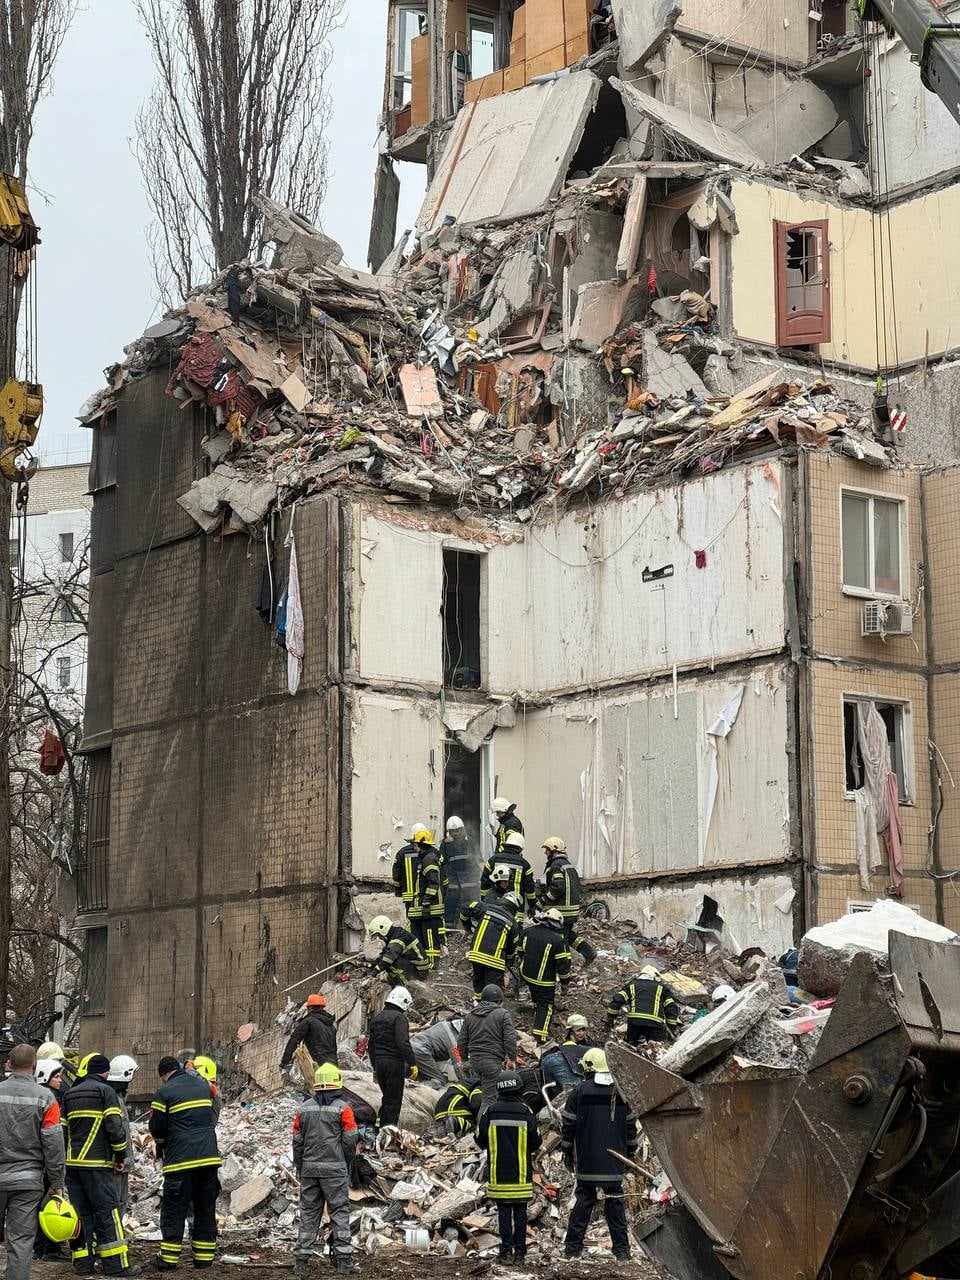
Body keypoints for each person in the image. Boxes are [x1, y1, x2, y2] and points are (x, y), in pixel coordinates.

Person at [561, 1048, 638, 1263]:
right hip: (614, 1161)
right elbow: (630, 1127)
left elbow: (568, 1126)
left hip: (588, 1162)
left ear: (589, 1068)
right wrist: (630, 1154)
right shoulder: (621, 1092)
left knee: (584, 1200)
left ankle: (572, 1249)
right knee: (615, 1204)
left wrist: (567, 1152)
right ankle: (622, 1251)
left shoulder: (579, 1091)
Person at [63, 1053, 133, 1276]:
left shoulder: (70, 1094)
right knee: (107, 1213)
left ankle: (83, 1264)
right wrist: (120, 1156)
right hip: (98, 1165)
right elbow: (115, 1128)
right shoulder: (106, 1091)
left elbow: (62, 1131)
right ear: (105, 1072)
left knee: (81, 1215)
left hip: (73, 1166)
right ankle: (116, 1265)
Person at [149, 1055, 221, 1271]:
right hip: (208, 1159)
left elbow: (157, 1127)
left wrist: (162, 1145)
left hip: (180, 1162)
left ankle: (168, 1259)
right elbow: (212, 1115)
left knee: (174, 1209)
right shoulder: (203, 1086)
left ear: (163, 1075)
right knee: (205, 1208)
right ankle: (204, 1257)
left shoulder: (164, 1092)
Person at [0, 1043, 65, 1280]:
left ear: (9, 1063)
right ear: (35, 1066)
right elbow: (54, 1144)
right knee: (21, 1241)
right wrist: (57, 1182)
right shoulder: (46, 1098)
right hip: (27, 1182)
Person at [292, 1063, 359, 1278]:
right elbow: (350, 1139)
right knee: (339, 1212)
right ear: (337, 1083)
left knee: (309, 1213)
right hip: (335, 1170)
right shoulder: (344, 1109)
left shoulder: (303, 1109)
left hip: (309, 1169)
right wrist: (345, 1161)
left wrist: (300, 1166)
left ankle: (301, 1262)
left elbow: (297, 1141)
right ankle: (344, 1262)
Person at [476, 1073, 540, 1265]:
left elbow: (480, 1139)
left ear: (499, 1089)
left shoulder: (490, 1112)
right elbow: (536, 1141)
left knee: (503, 1213)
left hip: (498, 1174)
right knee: (520, 1213)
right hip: (521, 1174)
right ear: (518, 1088)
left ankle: (505, 1252)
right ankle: (520, 1254)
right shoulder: (526, 1111)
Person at [538, 837, 597, 964]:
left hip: (561, 910)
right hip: (571, 910)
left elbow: (558, 887)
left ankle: (564, 964)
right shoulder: (568, 865)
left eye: (547, 850)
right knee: (568, 934)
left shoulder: (555, 865)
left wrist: (542, 901)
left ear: (554, 850)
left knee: (559, 938)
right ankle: (588, 952)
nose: (545, 853)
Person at [457, 985, 517, 1109]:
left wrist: (464, 1060)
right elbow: (510, 1038)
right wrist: (512, 1058)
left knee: (481, 1094)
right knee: (490, 1100)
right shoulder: (503, 1014)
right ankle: (484, 1122)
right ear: (499, 1001)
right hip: (491, 1062)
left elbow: (461, 1041)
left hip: (474, 1062)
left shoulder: (470, 1015)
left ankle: (477, 1117)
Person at [517, 908, 571, 1044]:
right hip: (544, 981)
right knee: (546, 1005)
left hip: (526, 974)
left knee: (535, 993)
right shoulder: (558, 940)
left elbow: (520, 951)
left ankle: (531, 1006)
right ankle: (540, 1035)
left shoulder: (528, 931)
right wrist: (565, 984)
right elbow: (563, 966)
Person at [461, 878, 523, 994]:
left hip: (476, 956)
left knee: (479, 985)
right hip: (495, 962)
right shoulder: (513, 923)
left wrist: (467, 926)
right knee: (492, 989)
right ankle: (491, 1004)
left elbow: (465, 908)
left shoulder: (485, 908)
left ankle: (479, 1003)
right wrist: (508, 963)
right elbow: (512, 948)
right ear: (515, 907)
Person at [367, 987, 417, 1129]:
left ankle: (380, 1126)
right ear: (403, 1002)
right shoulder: (399, 1018)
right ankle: (389, 1130)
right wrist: (412, 1063)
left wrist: (375, 1066)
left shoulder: (377, 1018)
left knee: (386, 1098)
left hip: (379, 1063)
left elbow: (371, 1046)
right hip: (394, 1063)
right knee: (394, 1100)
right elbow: (403, 1043)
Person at [33, 1058, 67, 1261]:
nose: (60, 1080)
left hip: (36, 1163)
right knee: (49, 1204)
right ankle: (49, 1248)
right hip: (47, 1164)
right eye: (56, 1076)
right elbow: (54, 1140)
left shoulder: (38, 1097)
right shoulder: (50, 1100)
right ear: (45, 1077)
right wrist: (57, 1174)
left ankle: (39, 1248)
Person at [606, 967, 682, 1045]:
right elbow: (671, 1007)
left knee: (630, 1045)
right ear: (654, 976)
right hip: (654, 1023)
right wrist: (671, 1027)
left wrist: (610, 1018)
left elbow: (618, 1000)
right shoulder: (662, 987)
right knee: (655, 1047)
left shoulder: (632, 985)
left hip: (635, 1022)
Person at [408, 830, 444, 969]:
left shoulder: (428, 859)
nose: (413, 847)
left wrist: (427, 901)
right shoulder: (425, 858)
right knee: (423, 937)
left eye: (415, 844)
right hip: (425, 907)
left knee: (430, 938)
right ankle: (425, 965)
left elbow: (434, 882)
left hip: (430, 908)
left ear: (421, 844)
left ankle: (433, 967)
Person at [106, 1057, 138, 1215]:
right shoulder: (115, 1100)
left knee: (121, 1201)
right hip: (118, 1163)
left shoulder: (116, 1098)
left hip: (120, 1162)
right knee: (117, 1202)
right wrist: (121, 1158)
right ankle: (115, 1230)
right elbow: (118, 1131)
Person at [280, 994, 338, 1078]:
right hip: (333, 1066)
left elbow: (293, 1041)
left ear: (309, 1008)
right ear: (322, 1007)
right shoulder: (331, 1025)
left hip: (317, 1065)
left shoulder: (308, 1022)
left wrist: (284, 1062)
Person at [480, 831, 536, 915]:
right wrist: (532, 906)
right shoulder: (525, 864)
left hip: (494, 907)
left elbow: (484, 883)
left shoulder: (493, 860)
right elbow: (530, 890)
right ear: (520, 848)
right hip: (516, 910)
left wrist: (484, 900)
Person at [541, 1015, 593, 1102]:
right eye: (578, 1030)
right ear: (571, 1032)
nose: (581, 1033)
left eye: (583, 1030)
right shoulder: (563, 1049)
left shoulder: (587, 1046)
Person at [366, 916, 429, 984]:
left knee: (391, 962)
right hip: (417, 967)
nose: (379, 938)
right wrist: (372, 965)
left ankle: (406, 984)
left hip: (419, 972)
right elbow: (386, 953)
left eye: (378, 935)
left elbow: (388, 958)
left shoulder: (398, 939)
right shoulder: (396, 934)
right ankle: (396, 980)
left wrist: (374, 972)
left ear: (383, 929)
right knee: (388, 960)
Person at [409, 1016, 464, 1086]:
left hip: (412, 1047)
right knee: (440, 1080)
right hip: (420, 1051)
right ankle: (416, 1088)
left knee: (426, 1075)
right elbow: (458, 1063)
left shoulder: (443, 1024)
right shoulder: (452, 1037)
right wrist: (467, 1083)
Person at [391, 824, 427, 923]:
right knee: (426, 922)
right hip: (426, 896)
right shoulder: (431, 851)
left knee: (413, 923)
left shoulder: (402, 853)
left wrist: (398, 891)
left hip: (409, 897)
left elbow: (396, 875)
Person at [439, 816, 471, 926]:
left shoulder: (469, 842)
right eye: (453, 831)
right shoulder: (445, 844)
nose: (456, 833)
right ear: (449, 832)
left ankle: (469, 927)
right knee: (450, 904)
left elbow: (477, 861)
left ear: (462, 829)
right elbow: (442, 863)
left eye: (458, 830)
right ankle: (449, 927)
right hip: (452, 881)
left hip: (468, 882)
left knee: (469, 905)